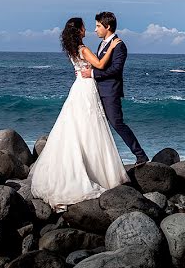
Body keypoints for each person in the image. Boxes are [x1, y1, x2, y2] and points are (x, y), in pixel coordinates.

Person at [30, 17, 129, 209]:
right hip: (86, 88)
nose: (89, 29)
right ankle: (97, 172)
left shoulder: (72, 49)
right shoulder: (83, 49)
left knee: (77, 126)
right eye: (85, 27)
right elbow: (99, 65)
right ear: (79, 31)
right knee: (90, 126)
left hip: (78, 87)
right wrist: (111, 48)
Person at [82, 11, 149, 165]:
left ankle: (140, 155)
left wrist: (92, 73)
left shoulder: (119, 45)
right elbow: (100, 63)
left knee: (116, 123)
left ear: (108, 26)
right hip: (97, 90)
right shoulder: (102, 43)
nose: (95, 29)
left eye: (98, 26)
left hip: (110, 91)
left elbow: (116, 69)